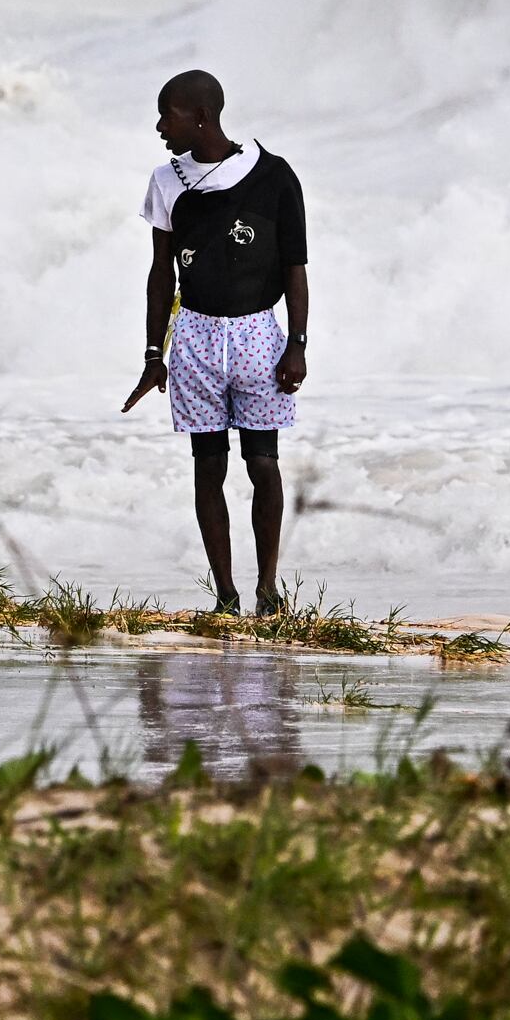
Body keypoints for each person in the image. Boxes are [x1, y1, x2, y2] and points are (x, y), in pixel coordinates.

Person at [121, 68, 308, 614]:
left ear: (200, 116)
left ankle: (268, 589)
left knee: (264, 463)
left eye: (168, 115)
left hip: (257, 333)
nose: (160, 126)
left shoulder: (274, 176)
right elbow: (162, 275)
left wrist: (296, 342)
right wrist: (154, 354)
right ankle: (226, 596)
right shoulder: (166, 180)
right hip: (195, 338)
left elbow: (295, 267)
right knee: (208, 466)